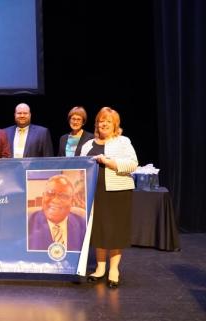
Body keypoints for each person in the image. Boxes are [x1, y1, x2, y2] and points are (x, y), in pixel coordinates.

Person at [80, 106, 138, 289]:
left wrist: (108, 162)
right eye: (100, 121)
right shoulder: (88, 144)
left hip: (117, 193)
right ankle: (100, 268)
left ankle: (114, 270)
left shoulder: (123, 142)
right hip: (93, 192)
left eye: (108, 121)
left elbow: (133, 164)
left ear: (115, 125)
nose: (103, 124)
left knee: (115, 230)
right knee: (99, 230)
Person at [28, 174, 86, 251]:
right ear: (43, 197)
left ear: (72, 201)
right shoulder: (28, 223)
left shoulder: (82, 224)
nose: (55, 200)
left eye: (63, 196)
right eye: (50, 194)